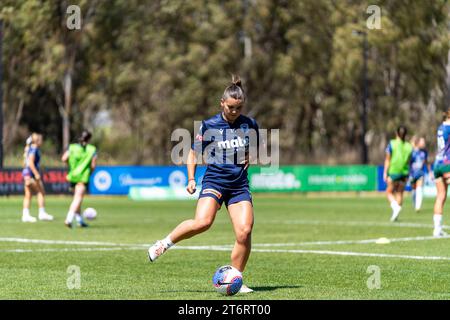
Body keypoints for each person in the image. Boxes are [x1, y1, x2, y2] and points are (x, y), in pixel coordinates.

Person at [147, 75, 259, 293]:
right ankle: (165, 243)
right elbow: (192, 153)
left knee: (244, 231)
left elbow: (254, 147)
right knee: (203, 222)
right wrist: (191, 178)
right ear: (222, 103)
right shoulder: (209, 125)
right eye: (231, 107)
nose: (235, 112)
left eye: (239, 108)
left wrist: (250, 155)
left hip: (238, 186)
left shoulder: (250, 124)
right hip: (215, 181)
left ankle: (235, 278)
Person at [61, 130, 97, 228]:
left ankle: (80, 220)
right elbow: (93, 165)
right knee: (78, 199)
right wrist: (90, 172)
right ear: (89, 139)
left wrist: (71, 165)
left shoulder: (72, 147)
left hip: (72, 176)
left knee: (77, 199)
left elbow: (64, 158)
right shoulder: (91, 149)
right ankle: (68, 219)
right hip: (83, 177)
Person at [21, 133, 54, 222]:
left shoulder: (29, 148)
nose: (42, 141)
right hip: (31, 174)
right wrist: (36, 173)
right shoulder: (34, 149)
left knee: (28, 194)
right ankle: (42, 213)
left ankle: (25, 214)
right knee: (40, 192)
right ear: (37, 141)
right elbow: (31, 162)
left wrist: (43, 171)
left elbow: (30, 163)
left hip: (26, 173)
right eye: (41, 140)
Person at [383, 126, 413, 222]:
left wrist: (385, 172)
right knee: (400, 193)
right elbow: (409, 161)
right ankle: (395, 214)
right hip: (404, 172)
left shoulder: (392, 144)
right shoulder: (409, 146)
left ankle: (395, 207)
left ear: (396, 133)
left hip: (394, 171)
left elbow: (388, 159)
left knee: (389, 192)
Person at [431, 109, 450, 237]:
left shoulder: (440, 127)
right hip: (447, 163)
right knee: (442, 196)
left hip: (437, 163)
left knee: (441, 196)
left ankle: (437, 229)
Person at [409, 136, 432, 212]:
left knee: (419, 189)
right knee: (413, 191)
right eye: (422, 142)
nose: (424, 143)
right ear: (418, 143)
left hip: (420, 173)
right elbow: (408, 163)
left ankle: (418, 207)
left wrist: (430, 172)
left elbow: (427, 163)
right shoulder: (412, 151)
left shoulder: (424, 152)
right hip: (412, 173)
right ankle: (415, 204)